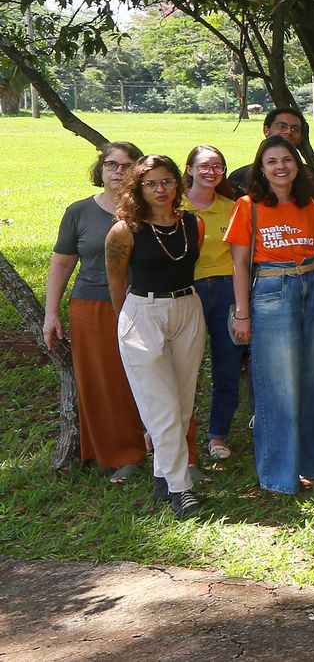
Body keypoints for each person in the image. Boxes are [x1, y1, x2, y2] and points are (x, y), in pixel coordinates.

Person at [225, 135, 314, 495]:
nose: (280, 167)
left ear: (296, 164)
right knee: (278, 385)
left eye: (286, 159)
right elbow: (240, 264)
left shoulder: (309, 206)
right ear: (262, 168)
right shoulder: (248, 205)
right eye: (271, 162)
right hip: (272, 291)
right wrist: (242, 314)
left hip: (312, 288)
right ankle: (278, 475)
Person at [105, 154, 208, 517]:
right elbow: (117, 279)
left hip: (187, 308)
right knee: (160, 405)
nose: (160, 189)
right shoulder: (125, 230)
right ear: (138, 187)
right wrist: (126, 320)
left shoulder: (194, 224)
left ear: (178, 184)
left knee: (181, 402)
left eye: (167, 181)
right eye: (151, 183)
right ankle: (182, 489)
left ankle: (162, 478)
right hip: (142, 312)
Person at [48, 141, 152, 483]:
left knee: (151, 376)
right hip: (91, 305)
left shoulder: (151, 209)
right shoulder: (79, 212)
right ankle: (121, 453)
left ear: (138, 170)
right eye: (111, 165)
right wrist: (52, 314)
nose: (118, 172)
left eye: (126, 165)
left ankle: (163, 444)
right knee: (104, 382)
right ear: (101, 169)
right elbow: (62, 264)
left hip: (145, 303)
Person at [183, 145, 245, 462]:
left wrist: (242, 308)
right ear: (190, 169)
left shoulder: (233, 208)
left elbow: (240, 261)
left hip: (226, 291)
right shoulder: (172, 205)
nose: (211, 172)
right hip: (186, 291)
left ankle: (218, 435)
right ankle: (174, 432)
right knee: (182, 368)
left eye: (218, 166)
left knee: (227, 366)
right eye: (204, 166)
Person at [230, 108, 314, 204]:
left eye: (295, 128)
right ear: (266, 130)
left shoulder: (313, 177)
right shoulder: (240, 178)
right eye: (282, 126)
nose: (289, 131)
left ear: (301, 137)